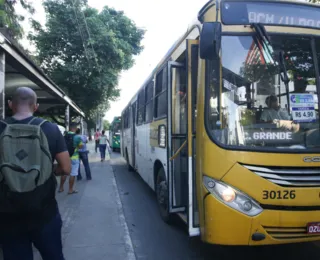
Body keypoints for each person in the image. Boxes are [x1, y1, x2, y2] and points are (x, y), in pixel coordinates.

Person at [0, 87, 71, 260]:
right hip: (44, 212)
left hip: (7, 214)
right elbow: (66, 168)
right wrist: (48, 171)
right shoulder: (51, 129)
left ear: (10, 105)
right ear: (36, 106)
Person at [59, 123, 83, 194]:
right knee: (73, 173)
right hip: (74, 157)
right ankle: (70, 190)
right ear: (75, 128)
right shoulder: (77, 137)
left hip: (65, 157)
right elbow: (81, 146)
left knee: (64, 173)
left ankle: (61, 188)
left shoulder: (64, 135)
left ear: (69, 128)